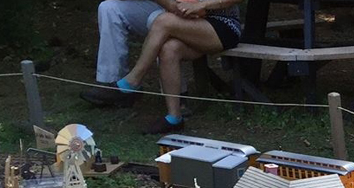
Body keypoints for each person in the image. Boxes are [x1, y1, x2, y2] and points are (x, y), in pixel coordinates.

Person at [112, 0, 243, 133]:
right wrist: (184, 9)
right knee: (169, 49)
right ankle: (174, 117)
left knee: (163, 21)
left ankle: (133, 80)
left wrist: (200, 6)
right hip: (196, 22)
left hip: (224, 24)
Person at [81, 0, 165, 108]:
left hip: (183, 8)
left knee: (160, 19)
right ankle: (112, 85)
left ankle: (174, 96)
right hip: (157, 6)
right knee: (108, 8)